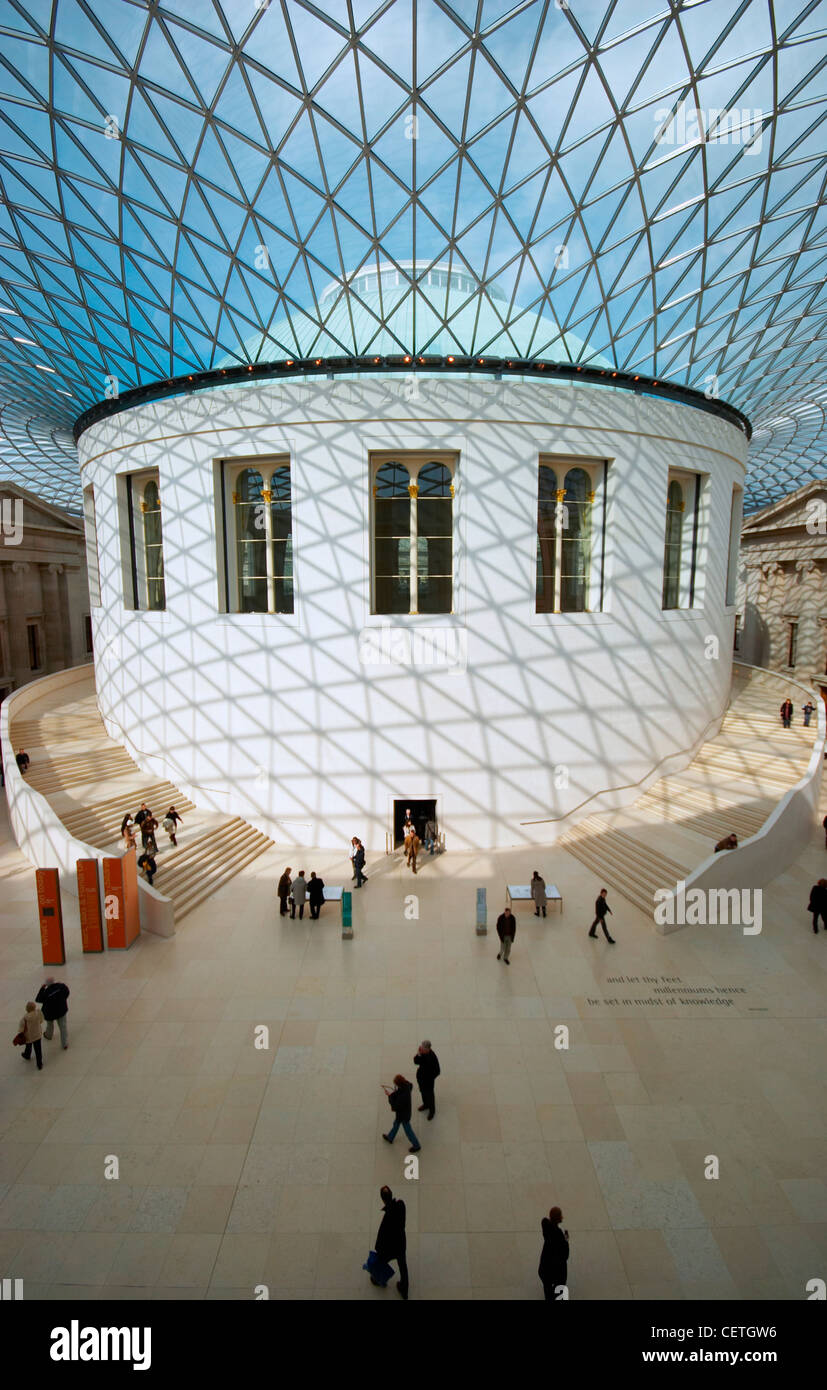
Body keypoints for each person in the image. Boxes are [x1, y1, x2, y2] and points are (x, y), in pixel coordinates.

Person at [374, 1186, 409, 1300]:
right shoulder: (401, 1204)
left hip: (390, 1247)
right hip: (401, 1243)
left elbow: (382, 1236)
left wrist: (378, 1248)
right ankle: (404, 1288)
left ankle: (377, 1279)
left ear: (383, 1200)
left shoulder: (387, 1217)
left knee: (381, 1262)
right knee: (403, 1266)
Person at [382, 1074, 420, 1152]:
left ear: (399, 1084)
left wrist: (389, 1096)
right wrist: (395, 1093)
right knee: (396, 1124)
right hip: (405, 1113)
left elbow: (395, 1106)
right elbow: (410, 1086)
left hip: (403, 1115)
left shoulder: (402, 1097)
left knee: (408, 1131)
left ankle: (416, 1145)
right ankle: (390, 1137)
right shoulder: (407, 1085)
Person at [538, 1206, 569, 1302]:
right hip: (556, 1272)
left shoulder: (546, 1226)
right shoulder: (559, 1236)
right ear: (559, 1218)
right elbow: (565, 1255)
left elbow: (546, 1220)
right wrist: (566, 1240)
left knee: (548, 1291)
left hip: (544, 1269)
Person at [35, 976, 70, 1049]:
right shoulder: (61, 986)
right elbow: (67, 992)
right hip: (61, 1010)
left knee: (50, 1025)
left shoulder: (46, 992)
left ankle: (48, 1035)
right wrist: (63, 999)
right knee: (63, 1027)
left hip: (49, 1013)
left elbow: (38, 999)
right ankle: (65, 1044)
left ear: (46, 984)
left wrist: (42, 988)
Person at [413, 1040, 440, 1120]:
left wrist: (430, 1078)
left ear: (428, 1049)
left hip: (428, 1082)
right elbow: (415, 1061)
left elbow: (437, 1071)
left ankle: (432, 1111)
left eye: (423, 1048)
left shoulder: (432, 1057)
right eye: (421, 1047)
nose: (421, 1049)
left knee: (430, 1096)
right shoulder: (422, 1053)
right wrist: (418, 1053)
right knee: (422, 1092)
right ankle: (425, 1104)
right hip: (421, 1079)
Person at [19, 1001, 43, 1070]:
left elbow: (21, 1028)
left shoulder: (25, 1018)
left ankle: (27, 1055)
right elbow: (41, 1021)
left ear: (27, 1009)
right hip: (37, 1035)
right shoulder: (38, 1013)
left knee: (28, 1046)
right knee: (38, 1050)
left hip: (28, 1036)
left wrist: (20, 1033)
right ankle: (39, 1064)